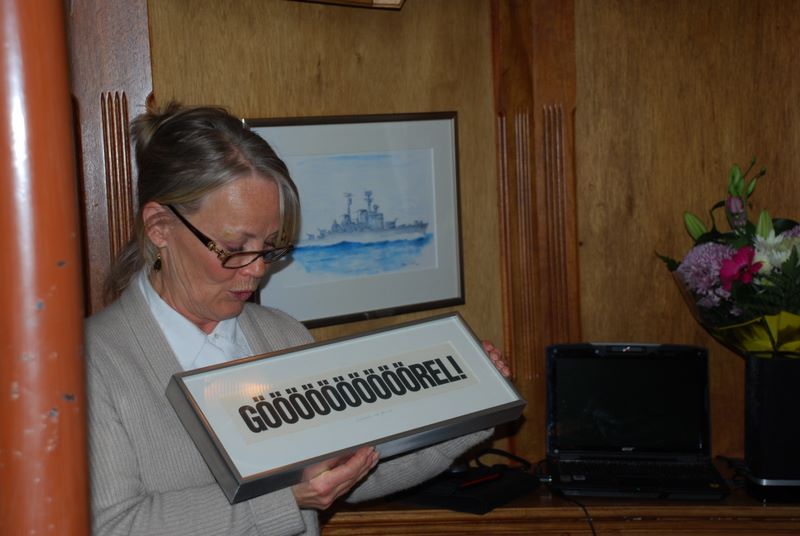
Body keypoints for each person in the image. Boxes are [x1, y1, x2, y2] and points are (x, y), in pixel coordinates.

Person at [86, 102, 510, 536]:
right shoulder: (91, 363)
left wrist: (471, 408)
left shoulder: (280, 334)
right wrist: (286, 500)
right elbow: (114, 525)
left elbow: (352, 471)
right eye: (234, 248)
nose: (257, 270)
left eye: (270, 246)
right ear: (160, 226)